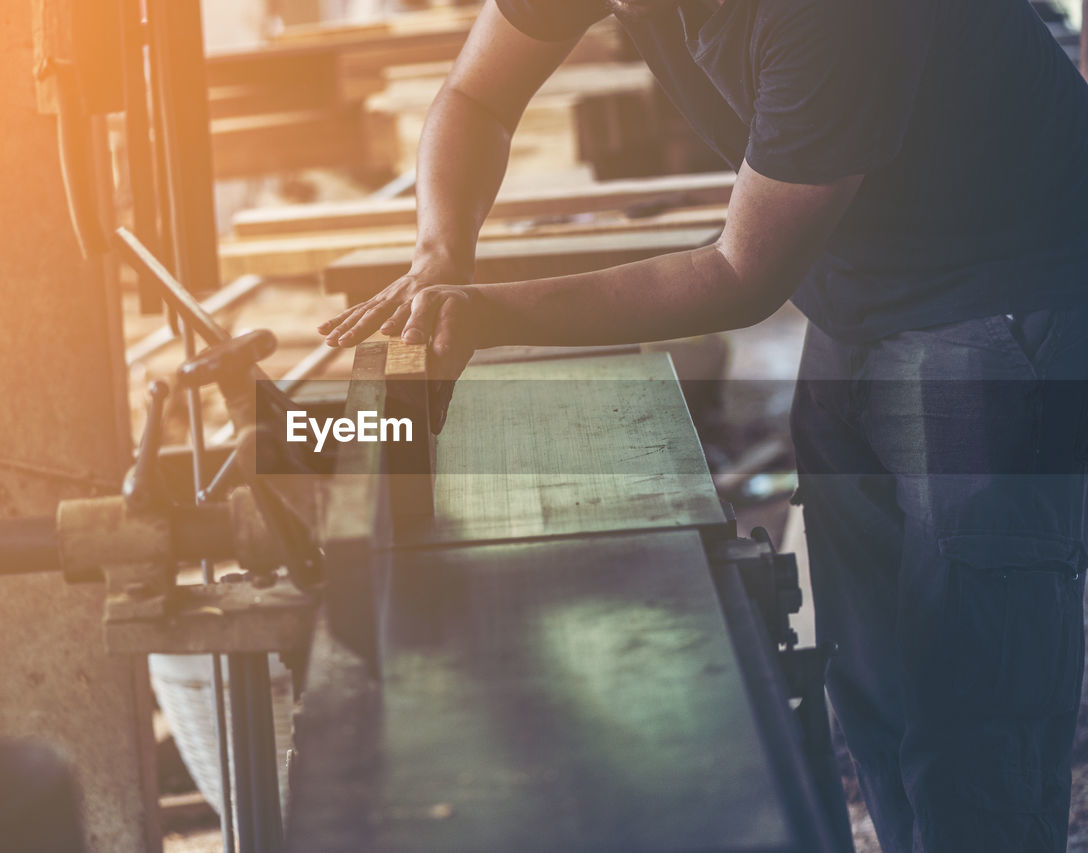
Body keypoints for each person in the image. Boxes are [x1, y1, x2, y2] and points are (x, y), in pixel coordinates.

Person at [318, 1, 1088, 850]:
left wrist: (488, 313)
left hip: (1007, 295)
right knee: (876, 683)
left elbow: (739, 273)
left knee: (973, 712)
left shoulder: (833, 17)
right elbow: (475, 97)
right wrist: (439, 251)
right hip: (862, 295)